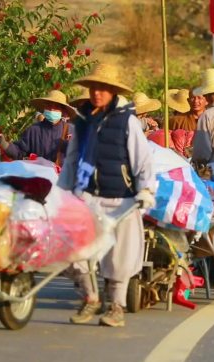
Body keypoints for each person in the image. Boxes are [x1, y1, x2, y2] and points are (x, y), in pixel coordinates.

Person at [59, 63, 156, 327]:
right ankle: (90, 298)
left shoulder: (127, 121)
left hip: (120, 197)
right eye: (93, 88)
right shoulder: (82, 122)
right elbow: (71, 160)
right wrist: (62, 192)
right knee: (79, 251)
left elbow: (143, 160)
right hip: (88, 195)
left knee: (119, 256)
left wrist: (146, 189)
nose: (96, 93)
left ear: (112, 91)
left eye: (102, 89)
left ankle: (116, 306)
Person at [0, 90, 75, 166]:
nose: (52, 109)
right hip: (38, 176)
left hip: (63, 177)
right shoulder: (33, 130)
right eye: (49, 106)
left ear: (62, 111)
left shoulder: (71, 131)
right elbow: (19, 152)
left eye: (56, 107)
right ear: (44, 108)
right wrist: (4, 143)